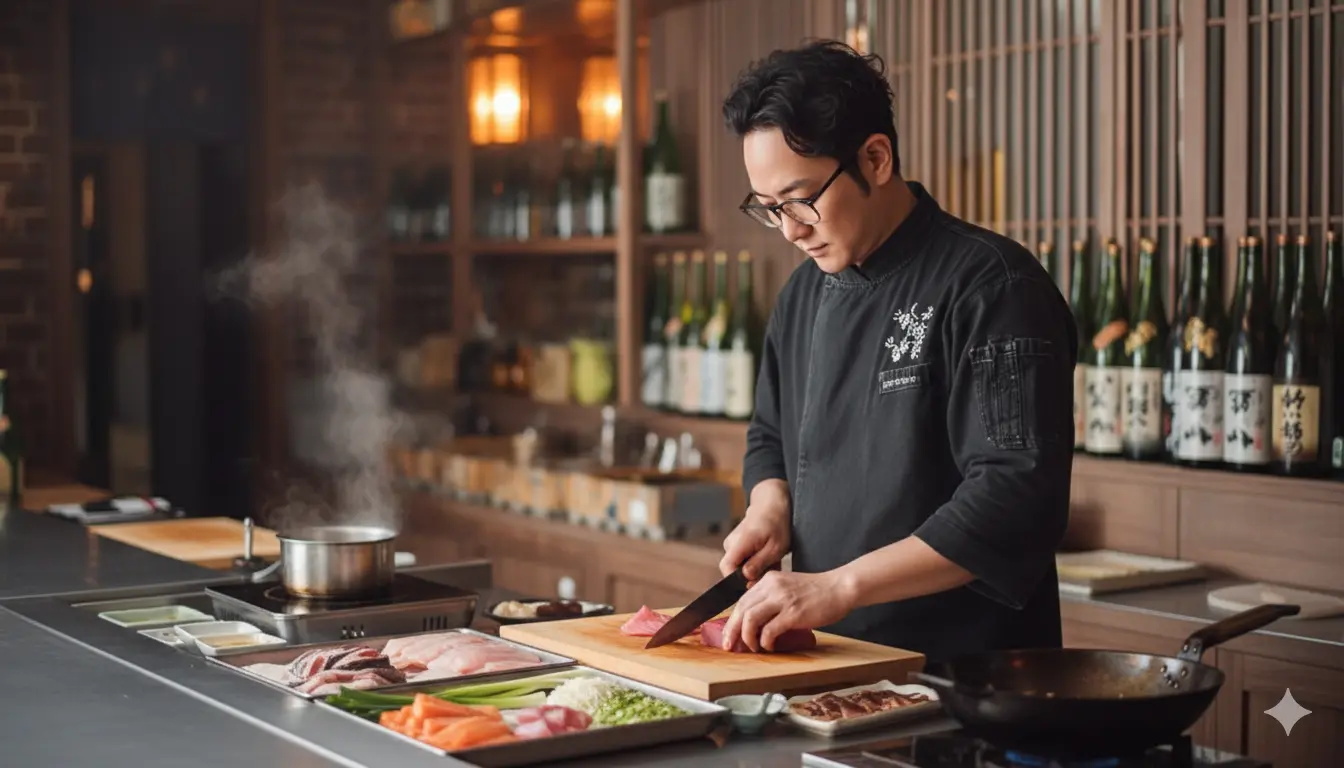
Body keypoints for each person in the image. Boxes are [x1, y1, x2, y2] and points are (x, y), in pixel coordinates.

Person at [716, 40, 1077, 664]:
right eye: (769, 209)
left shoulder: (993, 287)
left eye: (801, 200)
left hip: (965, 677)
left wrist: (840, 585)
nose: (790, 230)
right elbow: (771, 431)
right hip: (832, 664)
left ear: (875, 158)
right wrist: (769, 504)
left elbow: (1015, 494)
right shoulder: (804, 292)